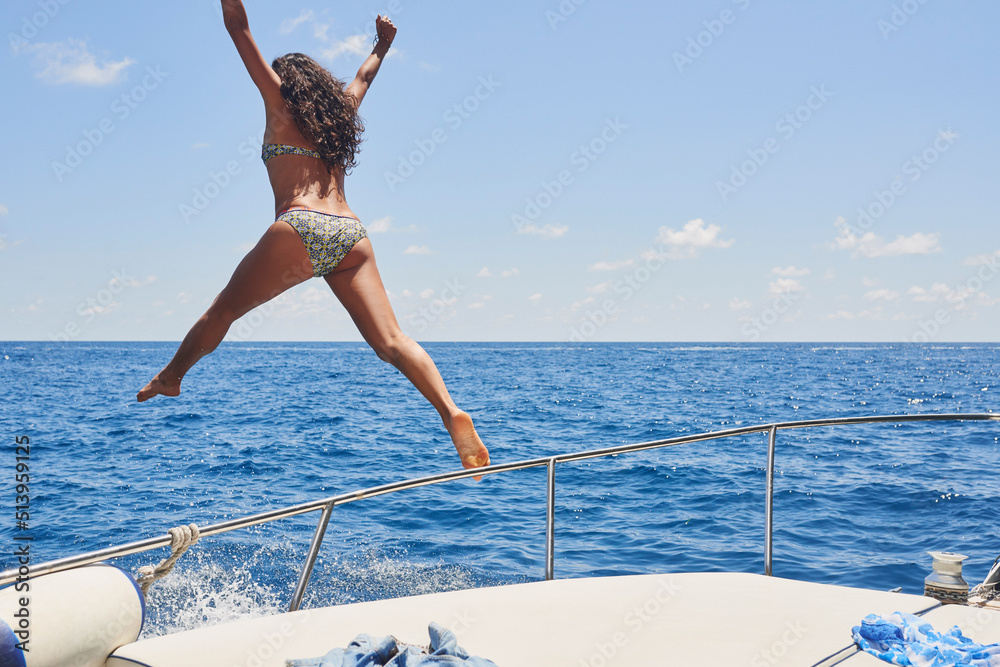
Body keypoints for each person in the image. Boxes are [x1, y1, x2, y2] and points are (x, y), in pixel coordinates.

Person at [138, 0, 490, 477]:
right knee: (392, 339)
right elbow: (364, 78)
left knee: (223, 310)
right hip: (350, 234)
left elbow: (238, 27)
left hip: (300, 226)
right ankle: (449, 410)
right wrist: (382, 45)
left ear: (286, 83)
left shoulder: (278, 103)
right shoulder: (340, 114)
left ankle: (171, 376)